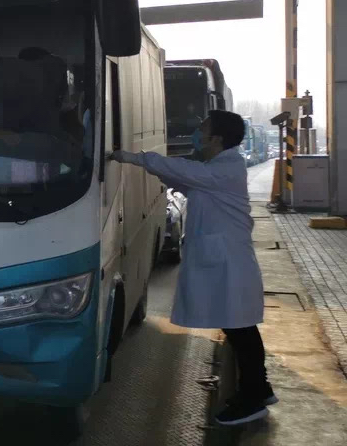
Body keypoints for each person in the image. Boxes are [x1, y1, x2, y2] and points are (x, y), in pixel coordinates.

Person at [110, 109, 274, 426]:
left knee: (241, 330)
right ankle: (259, 388)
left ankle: (253, 397)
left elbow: (184, 171)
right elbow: (189, 183)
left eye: (203, 129)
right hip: (225, 261)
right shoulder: (216, 169)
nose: (198, 134)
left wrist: (133, 158)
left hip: (230, 263)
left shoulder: (225, 168)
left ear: (217, 138)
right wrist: (165, 175)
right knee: (238, 328)